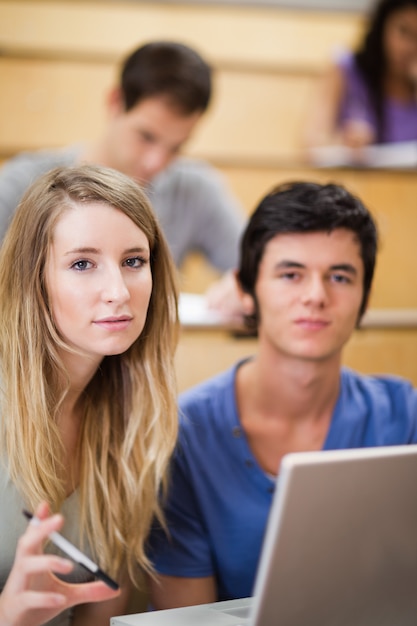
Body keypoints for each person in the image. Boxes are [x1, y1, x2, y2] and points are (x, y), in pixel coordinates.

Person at [147, 180, 417, 608]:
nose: (316, 296)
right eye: (291, 274)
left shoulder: (404, 415)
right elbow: (187, 618)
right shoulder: (185, 435)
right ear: (246, 291)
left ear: (364, 299)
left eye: (340, 276)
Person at [0, 163, 179, 626]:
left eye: (134, 261)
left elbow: (101, 609)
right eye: (82, 264)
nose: (118, 291)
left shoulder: (135, 419)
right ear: (33, 279)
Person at [0, 41, 245, 315]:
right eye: (146, 137)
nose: (156, 162)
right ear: (116, 102)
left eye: (176, 147)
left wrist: (244, 284)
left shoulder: (196, 189)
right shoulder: (21, 183)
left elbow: (258, 267)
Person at [304, 0, 417, 152]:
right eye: (403, 31)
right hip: (353, 175)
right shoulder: (345, 70)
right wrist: (343, 142)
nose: (409, 47)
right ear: (383, 24)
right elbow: (309, 144)